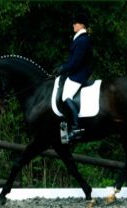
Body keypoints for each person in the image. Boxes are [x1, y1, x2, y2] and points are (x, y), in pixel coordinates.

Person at [53, 13, 93, 141]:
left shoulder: (82, 40)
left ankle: (76, 128)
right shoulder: (79, 39)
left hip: (79, 74)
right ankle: (64, 133)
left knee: (65, 96)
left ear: (81, 25)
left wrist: (63, 68)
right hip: (76, 72)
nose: (73, 25)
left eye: (75, 23)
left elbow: (76, 61)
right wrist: (62, 67)